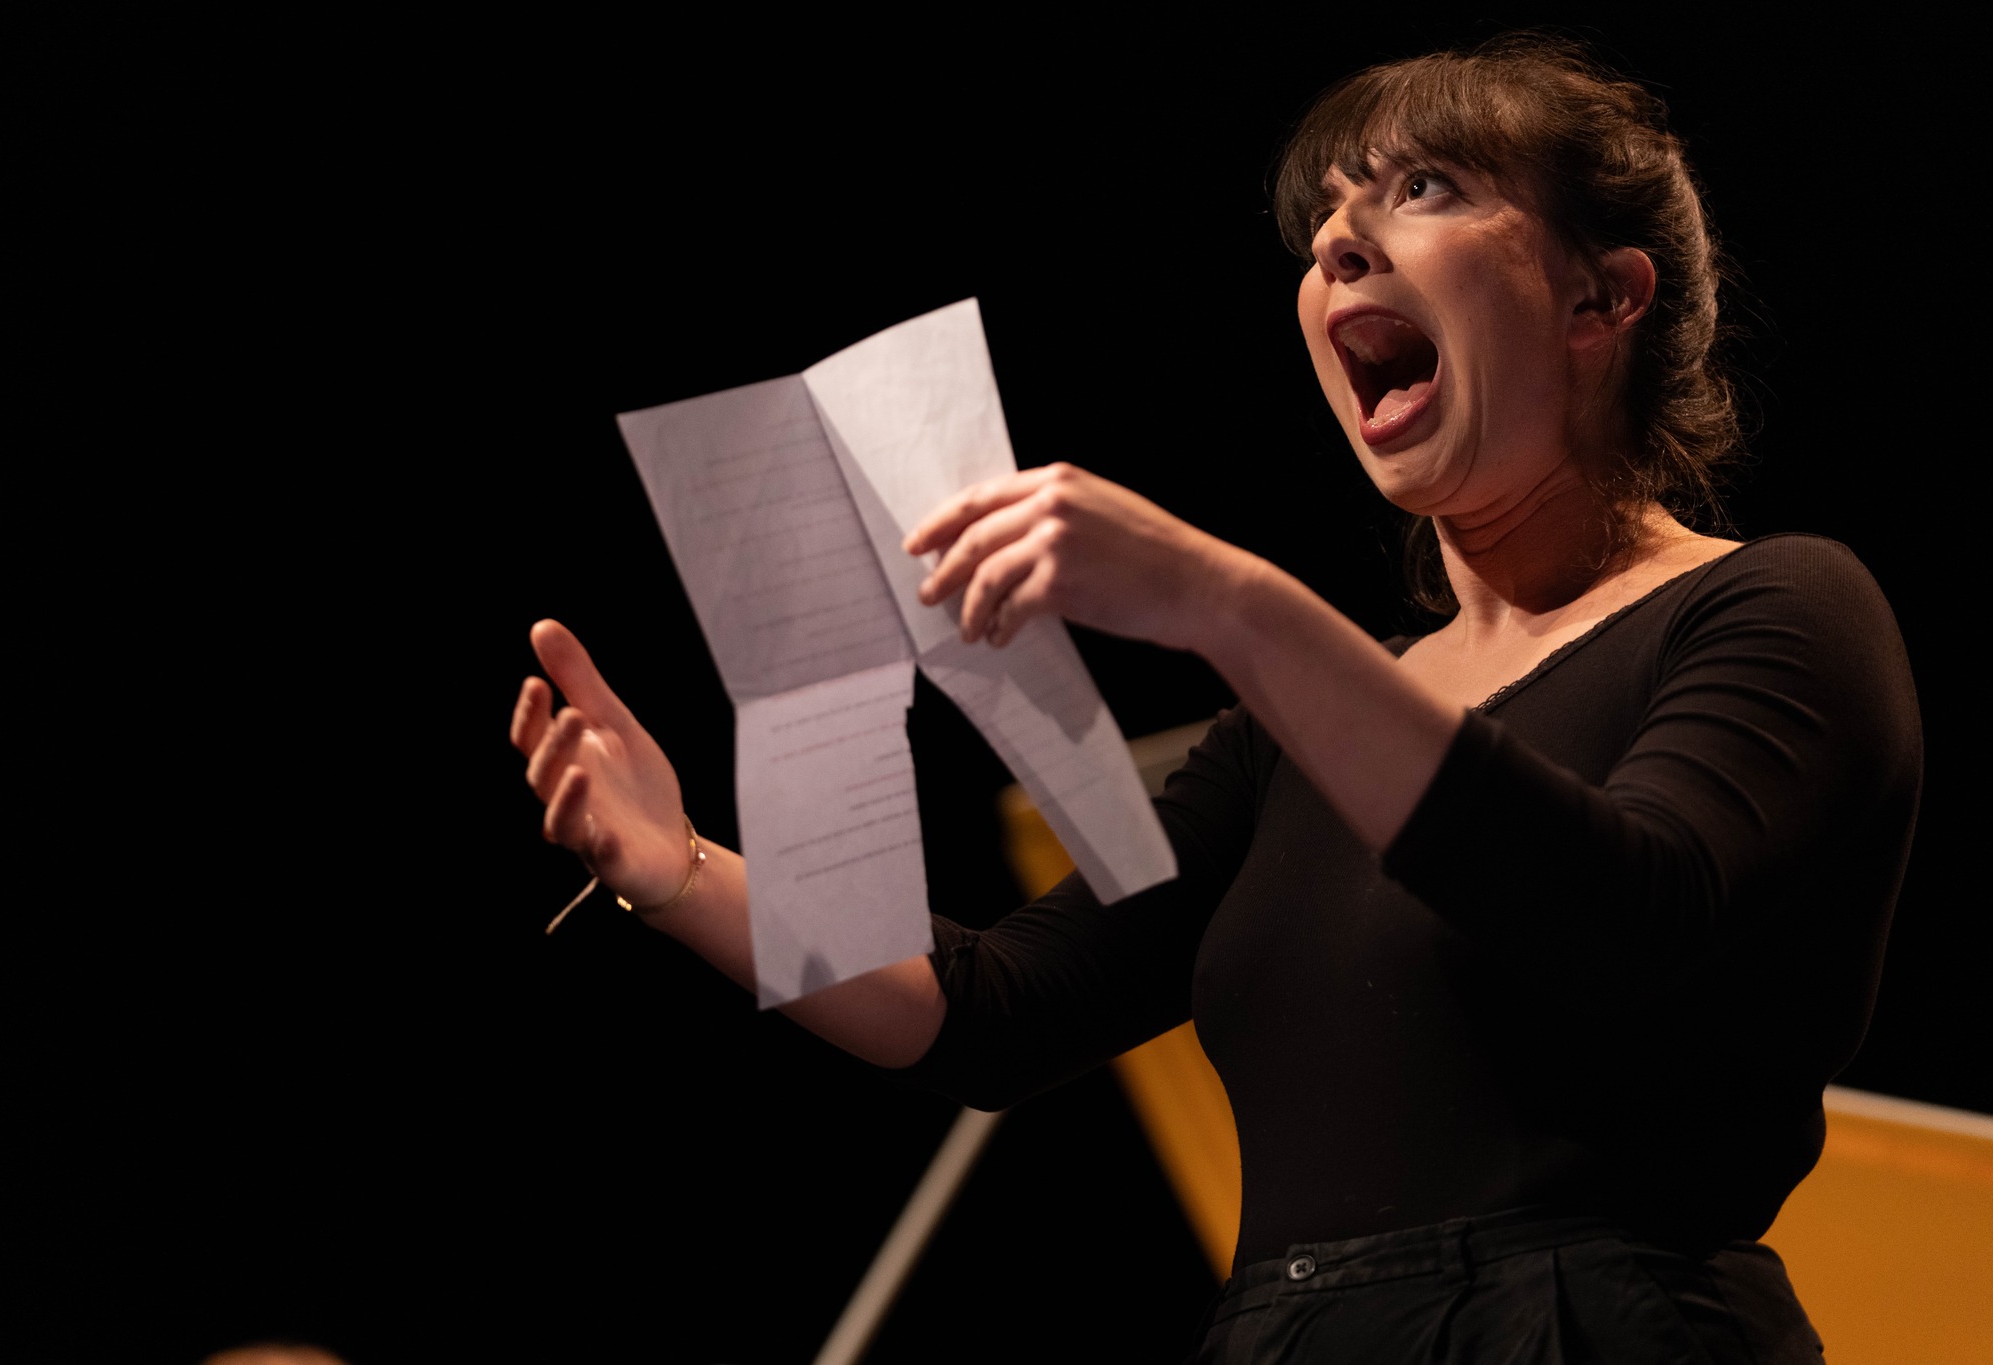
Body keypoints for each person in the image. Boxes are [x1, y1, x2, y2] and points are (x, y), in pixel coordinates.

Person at [510, 35, 1919, 1363]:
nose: (1337, 242)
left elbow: (1620, 917)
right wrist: (678, 868)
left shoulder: (1780, 608)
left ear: (1602, 300)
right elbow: (991, 1012)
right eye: (1324, 222)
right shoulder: (1287, 741)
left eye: (1425, 189)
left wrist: (1224, 602)